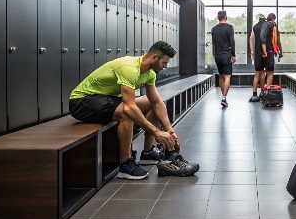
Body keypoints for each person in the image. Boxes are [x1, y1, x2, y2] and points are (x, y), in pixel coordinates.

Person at [69, 41, 199, 179]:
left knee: (152, 104)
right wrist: (157, 132)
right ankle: (125, 165)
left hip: (106, 98)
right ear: (154, 58)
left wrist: (169, 131)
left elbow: (156, 102)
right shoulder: (129, 68)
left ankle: (148, 152)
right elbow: (129, 108)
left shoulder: (150, 73)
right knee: (127, 113)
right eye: (164, 63)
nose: (166, 66)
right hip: (82, 101)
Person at [211, 10, 236, 107]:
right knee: (227, 77)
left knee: (221, 76)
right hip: (226, 54)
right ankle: (224, 98)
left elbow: (214, 43)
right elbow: (232, 42)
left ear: (218, 18)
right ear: (225, 17)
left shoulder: (214, 29)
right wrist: (233, 55)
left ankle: (223, 97)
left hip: (217, 55)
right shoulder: (229, 28)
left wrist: (215, 55)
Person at [258, 13, 282, 88]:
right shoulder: (271, 26)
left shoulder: (265, 25)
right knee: (270, 72)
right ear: (274, 18)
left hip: (262, 51)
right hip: (268, 51)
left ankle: (264, 90)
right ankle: (267, 92)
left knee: (262, 71)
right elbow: (263, 37)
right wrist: (265, 50)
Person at [249, 14, 267, 102]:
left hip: (257, 52)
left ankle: (254, 95)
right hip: (265, 52)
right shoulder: (267, 26)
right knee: (262, 73)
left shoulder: (255, 27)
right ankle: (263, 93)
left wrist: (252, 51)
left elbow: (251, 39)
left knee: (257, 74)